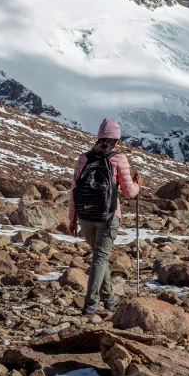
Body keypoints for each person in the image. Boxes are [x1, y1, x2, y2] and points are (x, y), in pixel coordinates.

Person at [68, 118, 142, 315]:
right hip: (108, 215)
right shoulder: (118, 159)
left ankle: (109, 298)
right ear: (117, 140)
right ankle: (91, 303)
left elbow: (74, 190)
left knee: (99, 257)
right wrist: (138, 185)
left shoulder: (84, 158)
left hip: (84, 215)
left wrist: (72, 219)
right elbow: (128, 192)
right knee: (100, 258)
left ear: (99, 136)